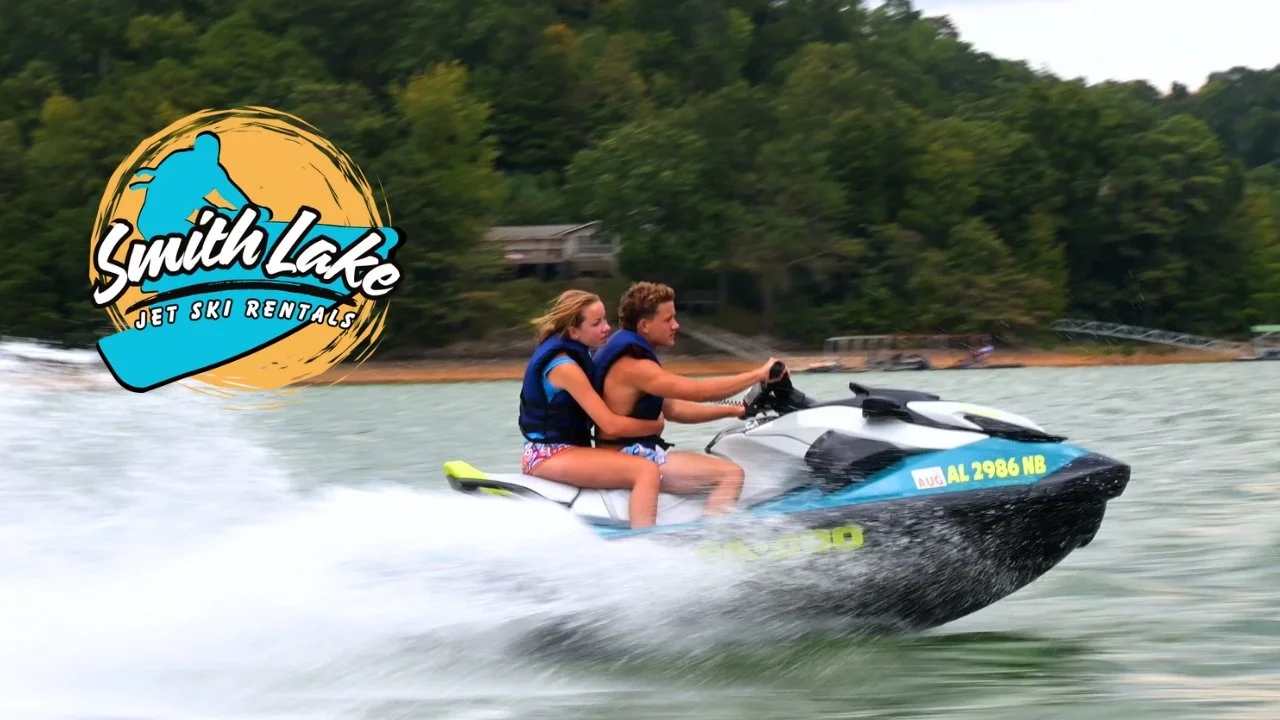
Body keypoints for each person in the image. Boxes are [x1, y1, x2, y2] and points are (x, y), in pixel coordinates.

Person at [590, 281, 784, 518]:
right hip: (627, 458)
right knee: (730, 474)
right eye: (668, 319)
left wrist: (733, 411)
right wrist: (759, 374)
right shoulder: (634, 367)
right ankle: (712, 542)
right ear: (644, 325)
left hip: (633, 453)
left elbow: (673, 409)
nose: (676, 325)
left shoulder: (634, 360)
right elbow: (697, 390)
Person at [518, 289, 666, 529]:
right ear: (574, 331)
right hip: (548, 454)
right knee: (645, 471)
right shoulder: (565, 367)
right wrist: (655, 426)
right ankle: (645, 545)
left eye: (605, 319)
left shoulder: (578, 354)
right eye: (597, 323)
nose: (607, 327)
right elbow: (609, 424)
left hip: (567, 449)